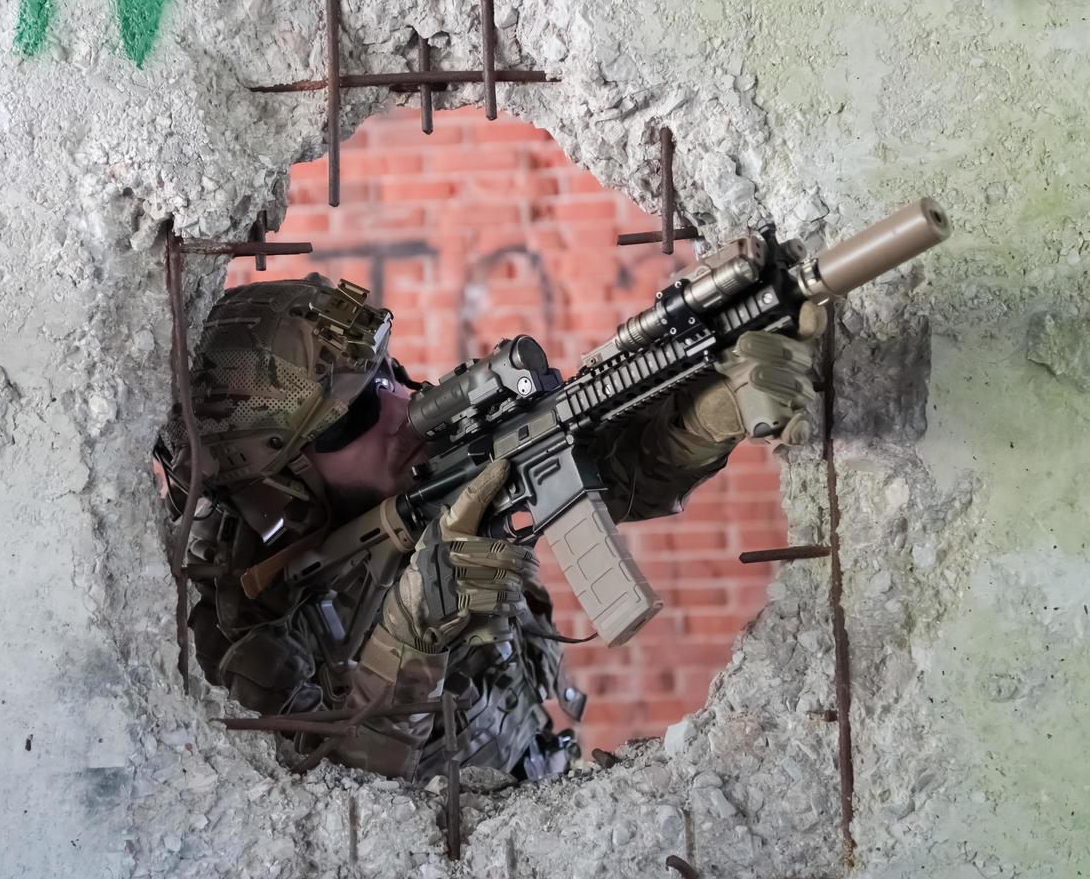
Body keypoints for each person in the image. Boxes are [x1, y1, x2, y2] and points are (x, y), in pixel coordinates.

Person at [155, 274, 817, 781]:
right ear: (283, 479)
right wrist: (409, 638)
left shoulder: (432, 468)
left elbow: (603, 474)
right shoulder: (239, 625)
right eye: (353, 418)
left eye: (386, 371)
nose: (396, 402)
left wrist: (705, 421)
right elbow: (329, 785)